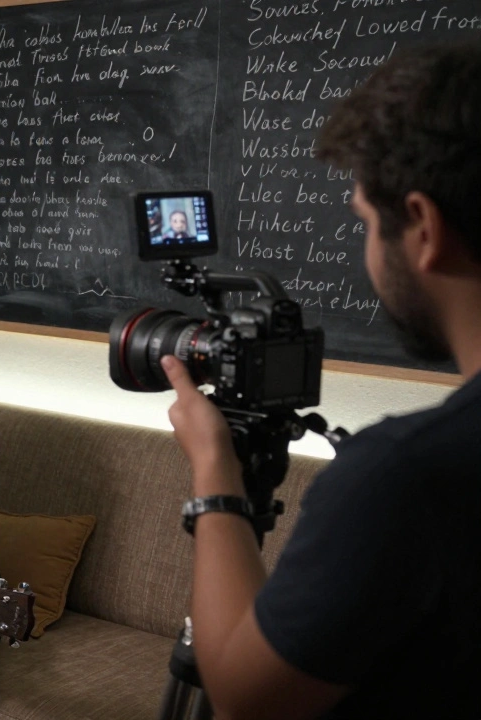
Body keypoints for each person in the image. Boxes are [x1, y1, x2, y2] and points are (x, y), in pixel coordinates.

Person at [161, 43, 481, 719]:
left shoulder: (407, 477)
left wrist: (215, 472)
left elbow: (245, 696)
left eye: (365, 220)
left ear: (422, 227)